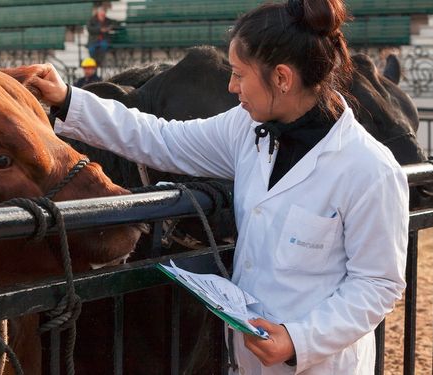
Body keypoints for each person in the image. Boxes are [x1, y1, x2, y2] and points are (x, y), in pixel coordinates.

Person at [29, 0, 408, 373]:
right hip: (246, 357)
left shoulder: (370, 169)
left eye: (240, 75)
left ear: (282, 78)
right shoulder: (246, 129)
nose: (231, 86)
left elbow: (377, 284)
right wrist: (66, 99)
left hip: (321, 364)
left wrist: (299, 340)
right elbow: (160, 138)